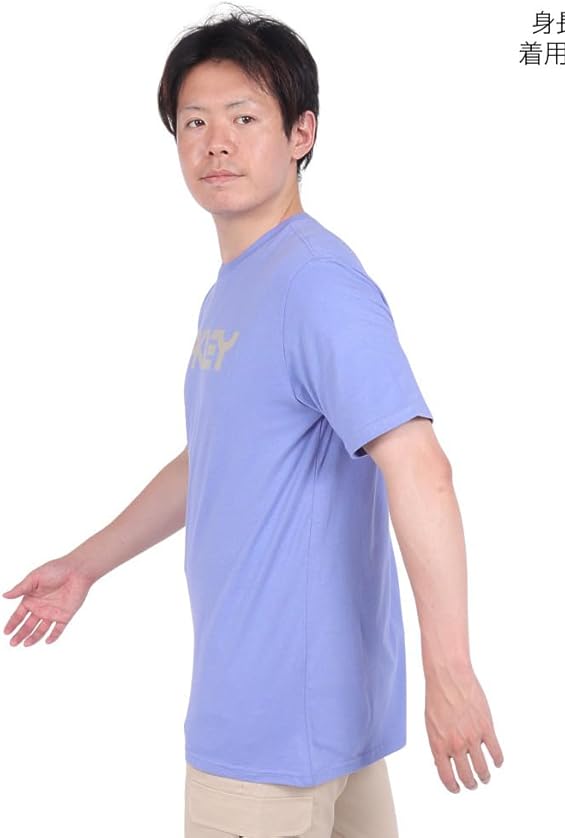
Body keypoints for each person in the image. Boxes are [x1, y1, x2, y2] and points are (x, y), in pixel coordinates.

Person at [2, 5, 504, 836]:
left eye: (243, 118)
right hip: (319, 727)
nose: (215, 144)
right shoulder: (240, 287)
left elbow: (419, 465)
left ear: (302, 133)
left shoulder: (314, 284)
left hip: (265, 744)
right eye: (193, 122)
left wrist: (449, 670)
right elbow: (218, 456)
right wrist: (86, 565)